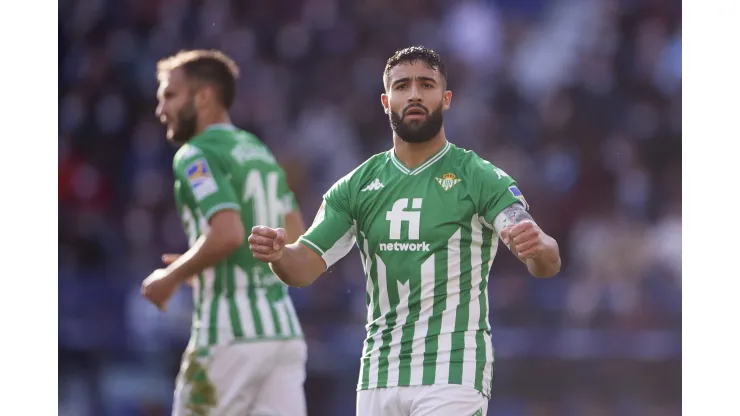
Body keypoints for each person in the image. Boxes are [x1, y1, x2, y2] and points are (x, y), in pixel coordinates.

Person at [248, 46, 562, 416]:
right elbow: (303, 267)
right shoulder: (355, 186)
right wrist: (279, 255)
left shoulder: (478, 176)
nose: (414, 94)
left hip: (452, 371)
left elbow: (545, 259)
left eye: (426, 84)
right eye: (402, 86)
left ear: (445, 100)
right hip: (378, 374)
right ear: (386, 101)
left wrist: (537, 245)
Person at [141, 49, 308, 416]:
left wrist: (170, 277)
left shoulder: (195, 154)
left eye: (170, 95)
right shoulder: (259, 151)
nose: (161, 110)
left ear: (202, 97)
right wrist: (203, 267)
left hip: (228, 338)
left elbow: (228, 233)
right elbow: (296, 238)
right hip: (282, 333)